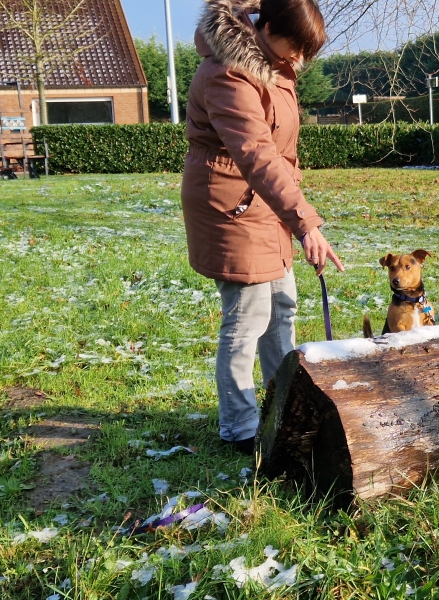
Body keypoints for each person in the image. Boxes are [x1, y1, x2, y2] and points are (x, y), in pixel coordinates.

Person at [181, 0, 343, 455]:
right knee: (247, 316)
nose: (299, 60)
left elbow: (278, 152)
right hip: (231, 204)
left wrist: (296, 215)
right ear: (265, 28)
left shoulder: (274, 64)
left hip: (266, 202)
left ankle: (284, 406)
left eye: (306, 52)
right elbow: (256, 153)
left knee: (282, 306)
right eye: (294, 48)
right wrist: (306, 222)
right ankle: (240, 428)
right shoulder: (227, 74)